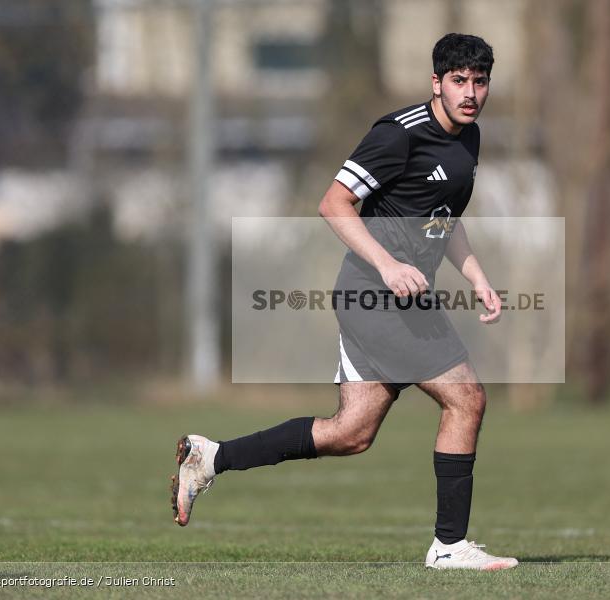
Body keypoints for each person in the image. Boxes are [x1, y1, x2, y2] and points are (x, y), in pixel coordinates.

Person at [171, 33, 518, 571]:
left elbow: (443, 220)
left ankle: (210, 457)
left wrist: (477, 276)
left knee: (350, 433)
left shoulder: (468, 138)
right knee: (467, 399)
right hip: (374, 296)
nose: (470, 93)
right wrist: (388, 264)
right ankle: (449, 546)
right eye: (458, 81)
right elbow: (333, 203)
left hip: (399, 299)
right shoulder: (398, 135)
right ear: (436, 83)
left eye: (479, 82)